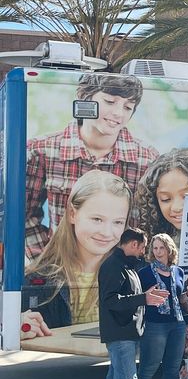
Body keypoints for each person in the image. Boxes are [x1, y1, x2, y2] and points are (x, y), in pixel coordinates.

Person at [25, 73, 158, 260]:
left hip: (123, 277)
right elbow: (24, 217)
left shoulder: (147, 159)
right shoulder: (42, 150)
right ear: (86, 99)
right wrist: (48, 261)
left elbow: (154, 225)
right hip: (63, 275)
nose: (119, 113)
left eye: (128, 107)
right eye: (110, 102)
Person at [21, 171, 136, 338]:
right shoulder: (34, 279)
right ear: (72, 214)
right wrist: (17, 327)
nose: (107, 232)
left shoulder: (136, 276)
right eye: (97, 219)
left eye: (118, 222)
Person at [100, 221, 168, 379]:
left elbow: (128, 295)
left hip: (127, 331)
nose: (143, 252)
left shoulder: (127, 265)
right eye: (142, 248)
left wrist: (145, 295)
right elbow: (110, 301)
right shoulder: (113, 266)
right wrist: (143, 299)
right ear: (133, 244)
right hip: (120, 333)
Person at [135, 234, 188, 379]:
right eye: (154, 248)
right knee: (147, 369)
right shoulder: (145, 273)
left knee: (172, 368)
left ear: (170, 250)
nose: (157, 252)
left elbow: (180, 301)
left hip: (177, 324)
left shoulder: (178, 271)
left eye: (161, 248)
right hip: (155, 325)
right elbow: (139, 298)